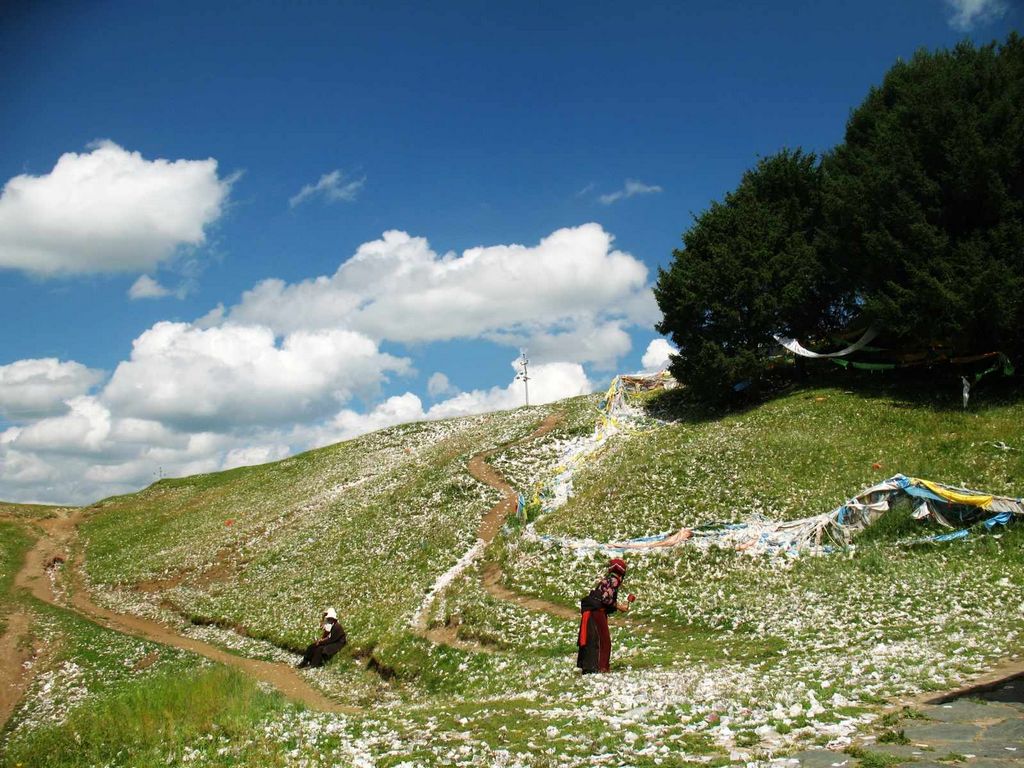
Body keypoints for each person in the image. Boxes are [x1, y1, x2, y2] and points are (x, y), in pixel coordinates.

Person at [577, 558, 632, 674]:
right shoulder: (614, 580)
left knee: (592, 638)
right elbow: (605, 598)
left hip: (592, 610)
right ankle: (602, 667)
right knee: (604, 641)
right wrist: (619, 606)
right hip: (597, 612)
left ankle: (590, 666)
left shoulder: (607, 579)